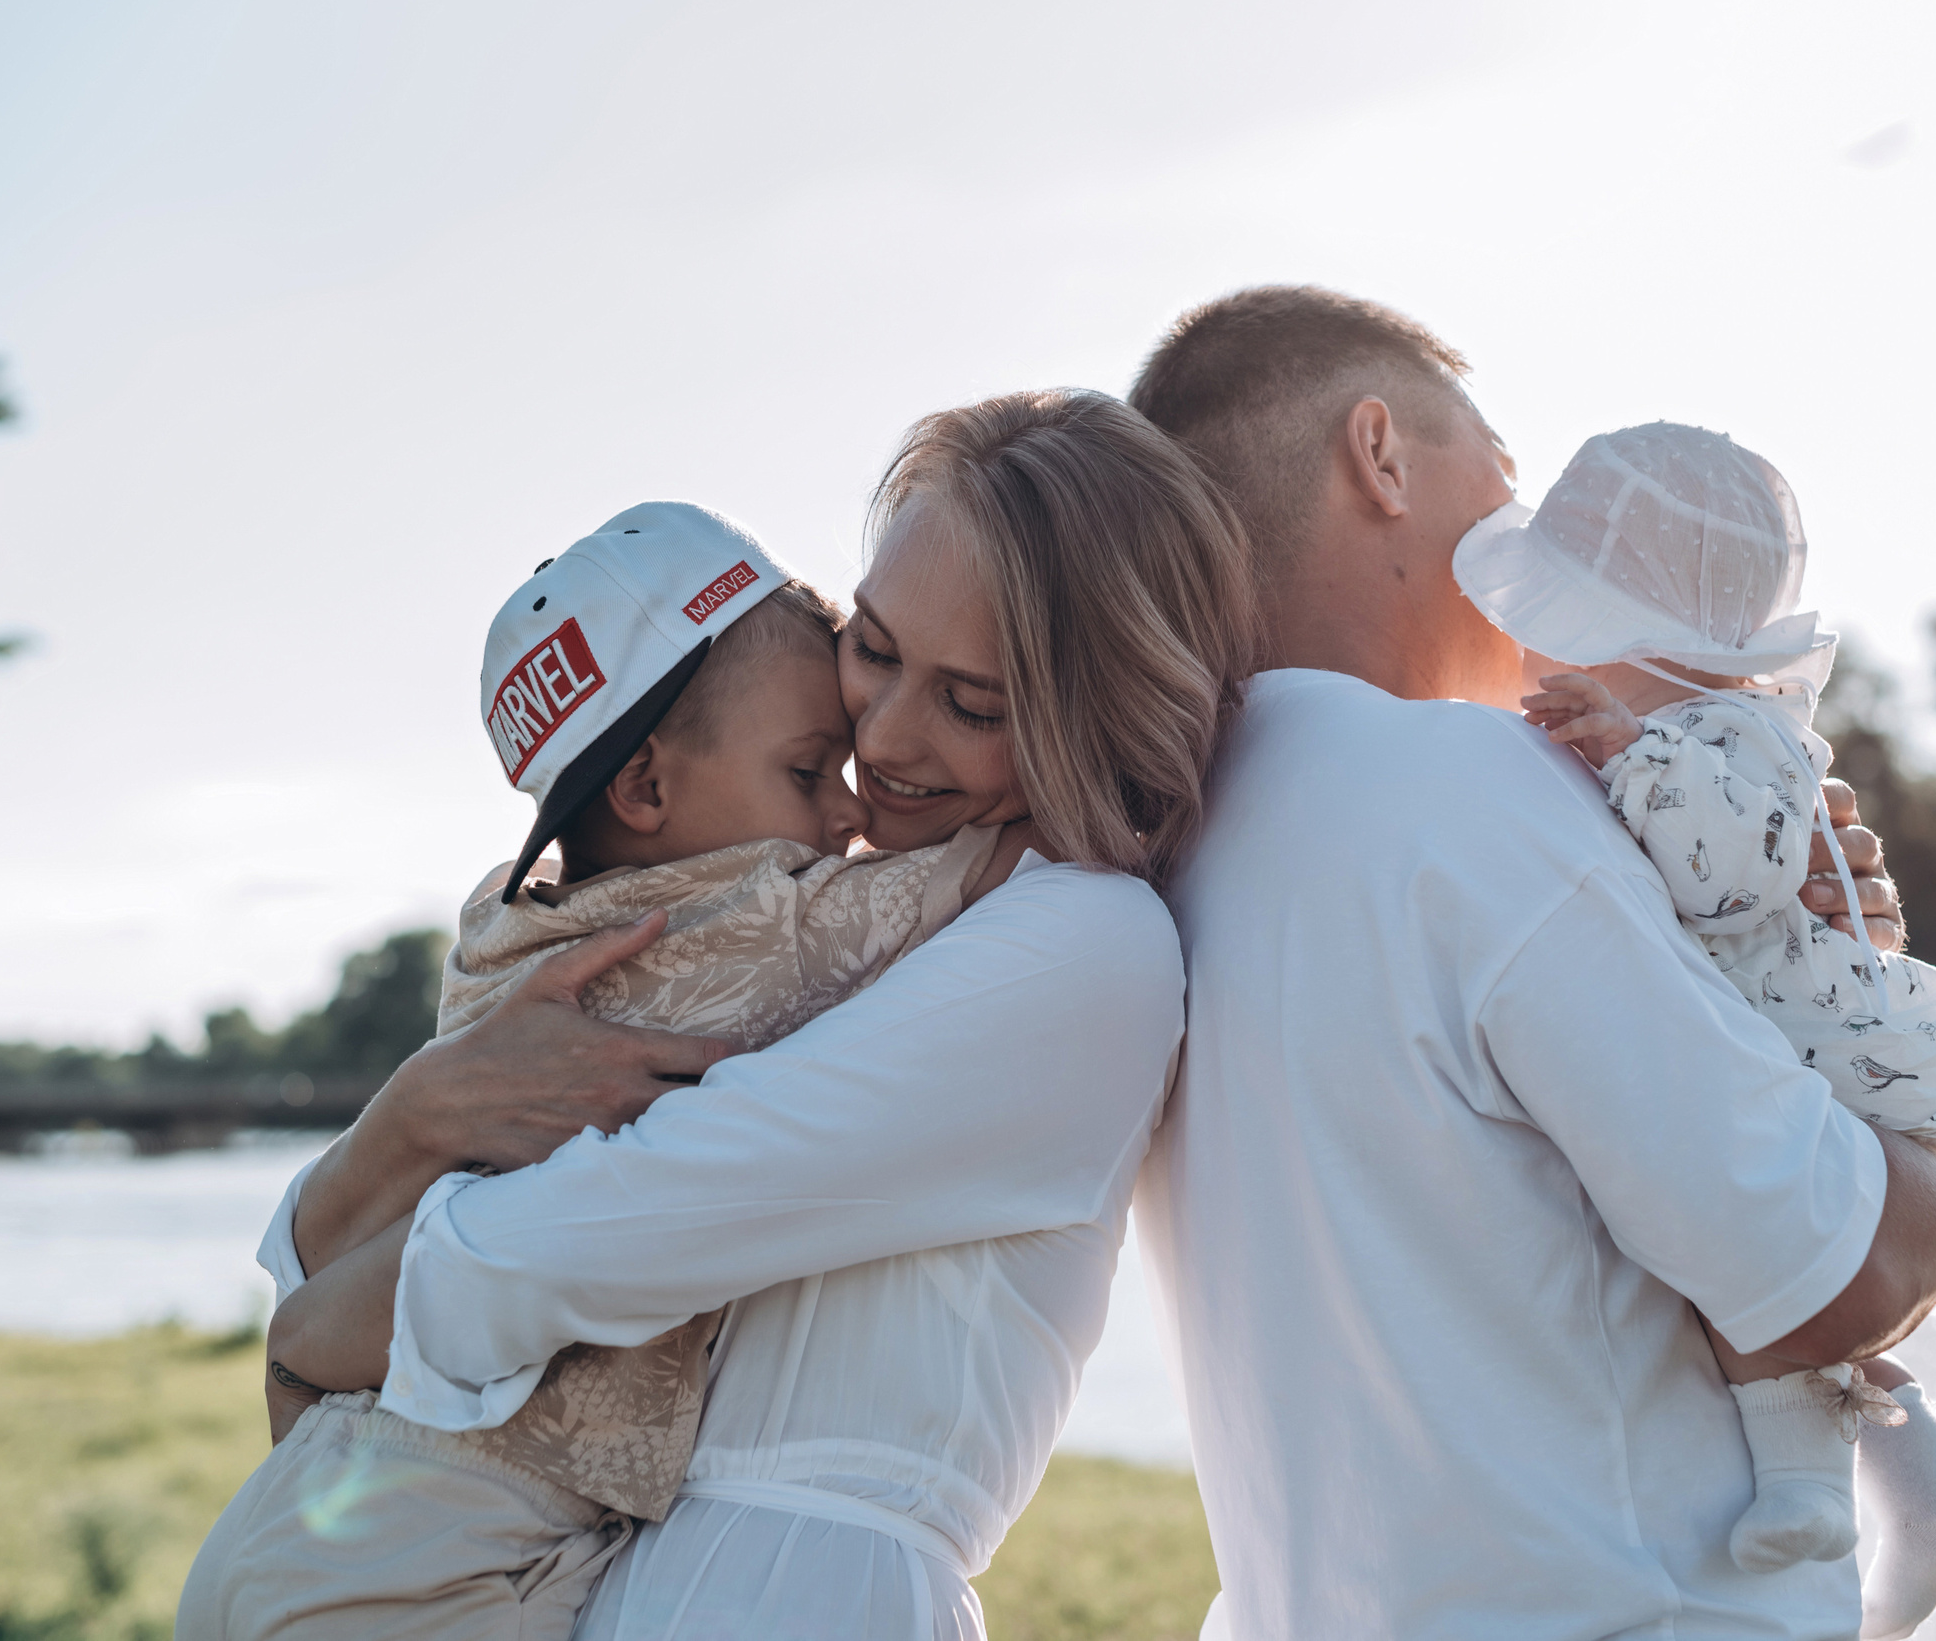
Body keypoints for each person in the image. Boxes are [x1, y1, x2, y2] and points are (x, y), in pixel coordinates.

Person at [228, 389, 1257, 1640]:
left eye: (972, 702)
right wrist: (419, 1113)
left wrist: (321, 1325)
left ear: (1090, 701)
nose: (879, 740)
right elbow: (359, 1233)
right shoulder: (806, 913)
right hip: (626, 1577)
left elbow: (639, 1207)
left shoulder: (1081, 942)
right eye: (872, 647)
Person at [1126, 286, 1936, 1641]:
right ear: (1380, 455)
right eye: (1506, 475)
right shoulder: (1474, 796)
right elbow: (1842, 1265)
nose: (1523, 532)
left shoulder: (1166, 861)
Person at [178, 504, 1038, 1641]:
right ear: (642, 788)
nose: (850, 808)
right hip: (435, 1557)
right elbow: (1006, 856)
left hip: (321, 1514)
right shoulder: (747, 929)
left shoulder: (498, 927)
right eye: (805, 769)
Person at [1469, 422, 1936, 1639]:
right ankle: (1916, 1495)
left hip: (1792, 1029)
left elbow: (1715, 881)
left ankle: (1813, 1493)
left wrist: (1623, 751)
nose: (1532, 650)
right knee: (1755, 1267)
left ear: (1634, 634)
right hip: (1784, 1019)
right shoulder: (1712, 728)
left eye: (1556, 619)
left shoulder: (1724, 731)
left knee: (1749, 1260)